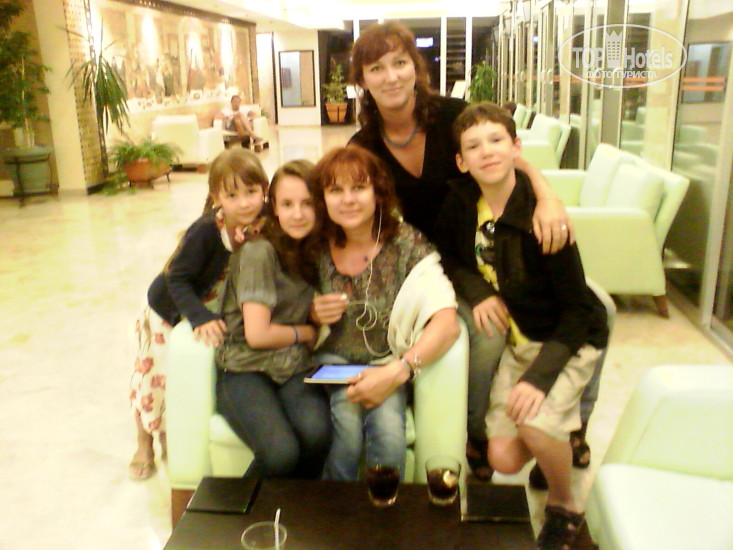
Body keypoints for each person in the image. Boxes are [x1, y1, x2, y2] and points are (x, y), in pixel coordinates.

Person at [347, 21, 576, 480]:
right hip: (423, 268)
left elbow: (511, 157)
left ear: (416, 68)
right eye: (376, 68)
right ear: (363, 81)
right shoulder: (364, 145)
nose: (391, 76)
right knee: (487, 332)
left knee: (591, 309)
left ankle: (570, 423)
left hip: (481, 249)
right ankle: (476, 430)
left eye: (399, 62)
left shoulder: (453, 116)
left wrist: (548, 196)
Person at [434, 102, 608, 550]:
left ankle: (565, 505)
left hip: (566, 339)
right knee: (504, 458)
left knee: (533, 422)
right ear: (461, 161)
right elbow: (450, 258)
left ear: (516, 148)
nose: (487, 151)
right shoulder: (460, 204)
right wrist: (479, 292)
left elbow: (578, 312)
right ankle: (558, 433)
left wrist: (538, 379)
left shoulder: (544, 219)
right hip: (519, 342)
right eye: (474, 146)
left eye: (496, 140)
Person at [309, 145, 460, 481]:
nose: (348, 199)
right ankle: (332, 510)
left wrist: (400, 369)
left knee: (390, 438)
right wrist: (312, 314)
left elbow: (447, 323)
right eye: (335, 190)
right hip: (331, 363)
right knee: (348, 433)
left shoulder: (405, 243)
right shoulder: (315, 244)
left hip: (385, 362)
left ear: (378, 192)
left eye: (359, 187)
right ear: (322, 198)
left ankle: (386, 509)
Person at [129, 148, 269, 481]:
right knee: (154, 378)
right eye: (232, 195)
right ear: (216, 197)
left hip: (203, 304)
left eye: (251, 192)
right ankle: (144, 441)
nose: (244, 203)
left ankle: (171, 435)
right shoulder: (207, 230)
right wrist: (199, 317)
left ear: (264, 189)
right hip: (166, 310)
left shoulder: (262, 222)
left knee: (181, 381)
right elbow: (175, 277)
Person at [215, 160, 332, 479]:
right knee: (280, 453)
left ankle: (294, 507)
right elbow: (257, 335)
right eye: (287, 204)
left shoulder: (314, 248)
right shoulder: (259, 251)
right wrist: (306, 331)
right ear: (274, 208)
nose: (298, 214)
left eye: (307, 203)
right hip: (244, 366)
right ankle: (233, 509)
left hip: (292, 364)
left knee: (319, 434)